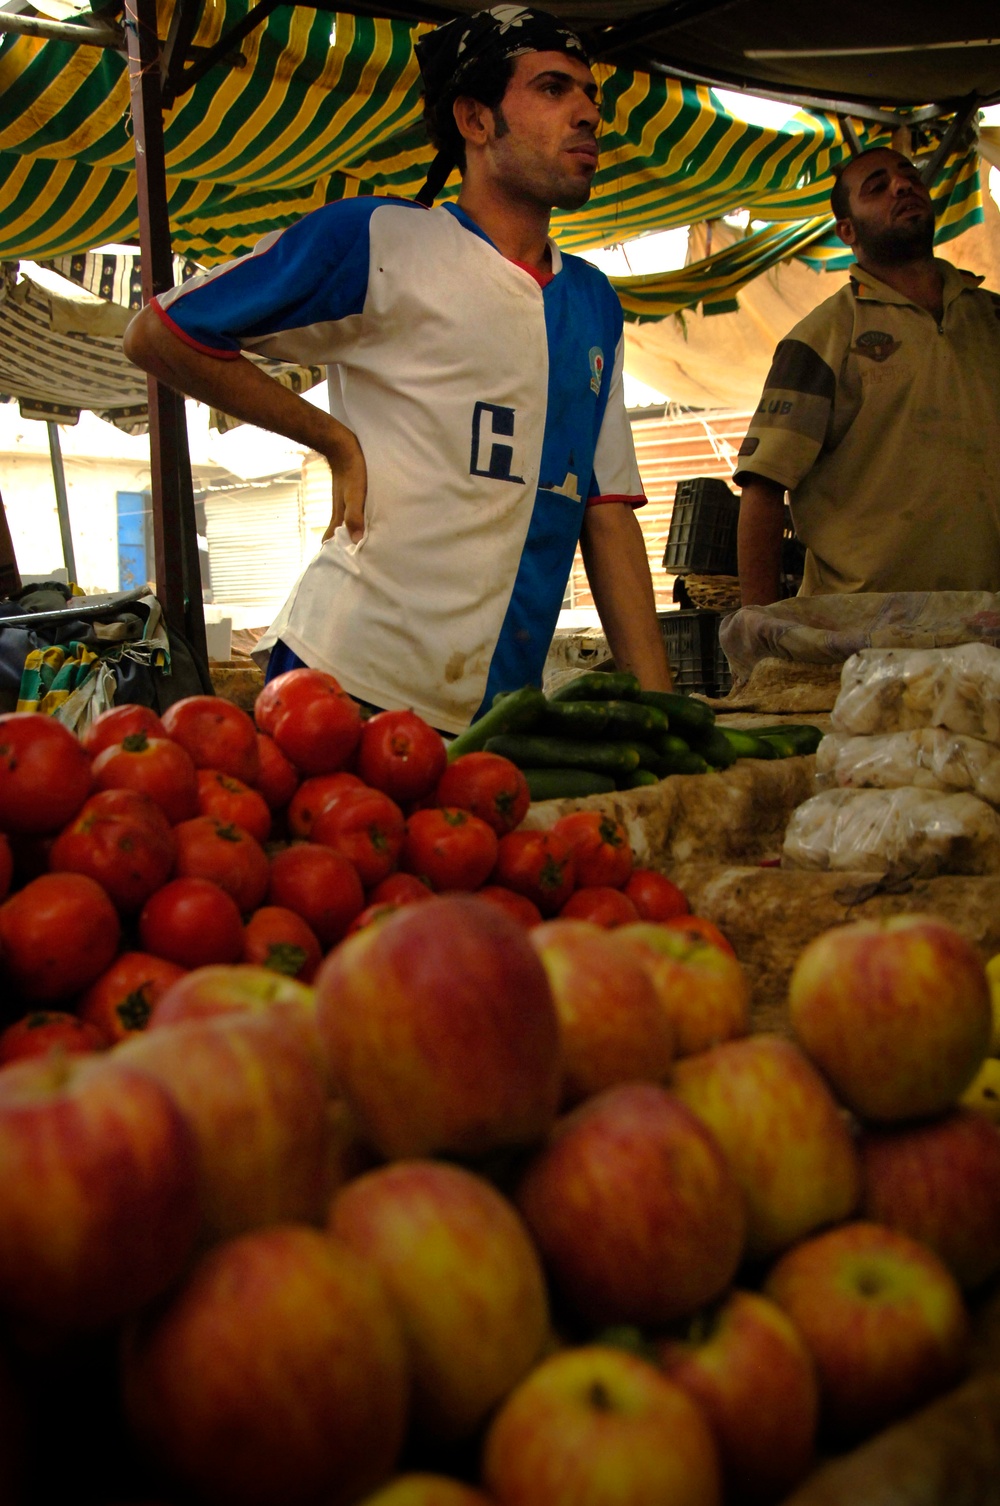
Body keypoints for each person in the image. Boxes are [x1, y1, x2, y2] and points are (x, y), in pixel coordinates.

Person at [122, 5, 672, 732]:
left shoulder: (593, 302)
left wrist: (666, 714)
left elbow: (605, 515)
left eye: (589, 96)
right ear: (475, 120)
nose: (587, 115)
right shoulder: (383, 237)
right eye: (552, 89)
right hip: (343, 684)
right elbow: (160, 332)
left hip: (497, 713)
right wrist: (333, 439)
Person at [735, 145, 1000, 607]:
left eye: (909, 175)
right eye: (876, 188)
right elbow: (763, 487)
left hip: (989, 621)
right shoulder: (822, 337)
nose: (902, 185)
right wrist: (758, 631)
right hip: (862, 632)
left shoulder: (993, 318)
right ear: (847, 231)